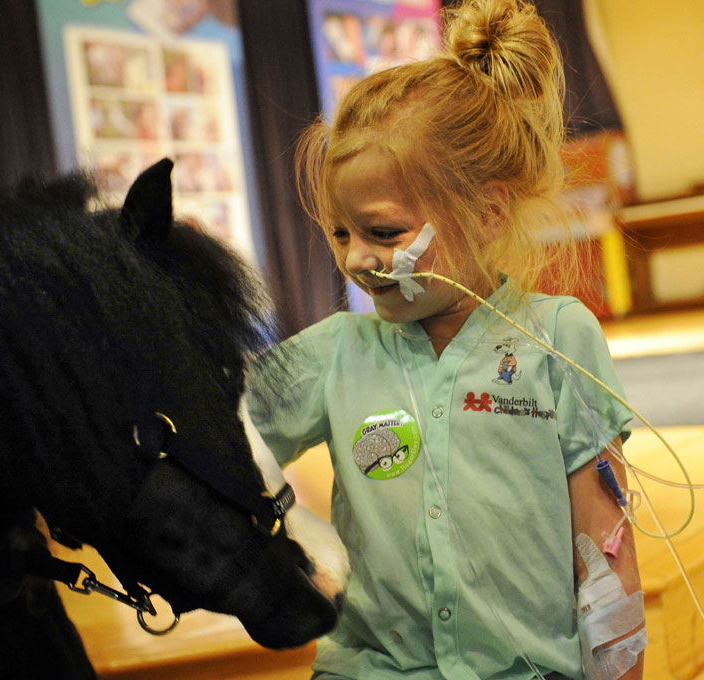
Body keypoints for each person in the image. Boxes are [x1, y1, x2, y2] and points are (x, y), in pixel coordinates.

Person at [246, 1, 645, 678]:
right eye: (341, 233)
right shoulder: (333, 353)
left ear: (487, 213)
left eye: (383, 232)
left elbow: (606, 552)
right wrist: (286, 524)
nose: (354, 260)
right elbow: (215, 421)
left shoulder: (557, 338)